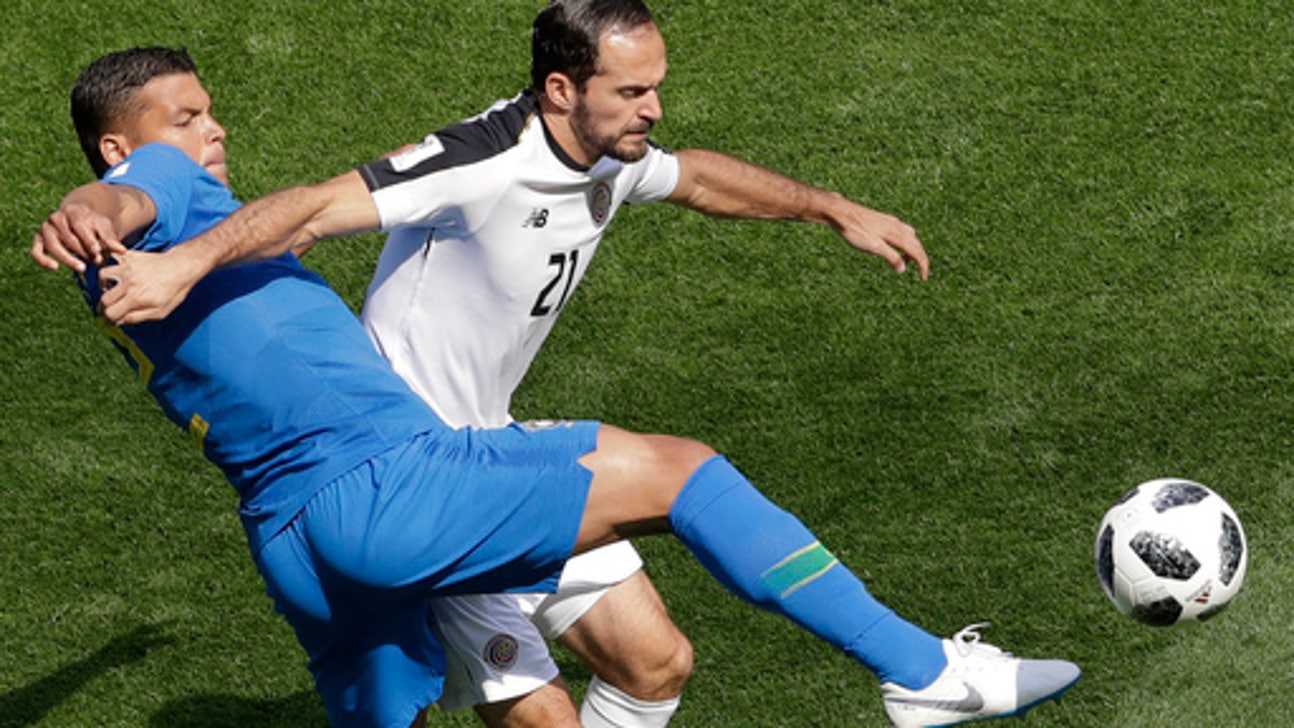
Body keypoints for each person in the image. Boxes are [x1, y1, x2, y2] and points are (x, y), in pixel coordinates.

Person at [34, 38, 1080, 728]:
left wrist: (827, 205)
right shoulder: (155, 190)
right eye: (187, 117)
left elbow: (692, 174)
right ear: (124, 145)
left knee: (641, 665)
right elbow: (120, 198)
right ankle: (922, 672)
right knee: (682, 471)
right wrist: (98, 214)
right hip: (398, 484)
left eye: (210, 113)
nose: (212, 131)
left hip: (296, 542)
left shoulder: (183, 248)